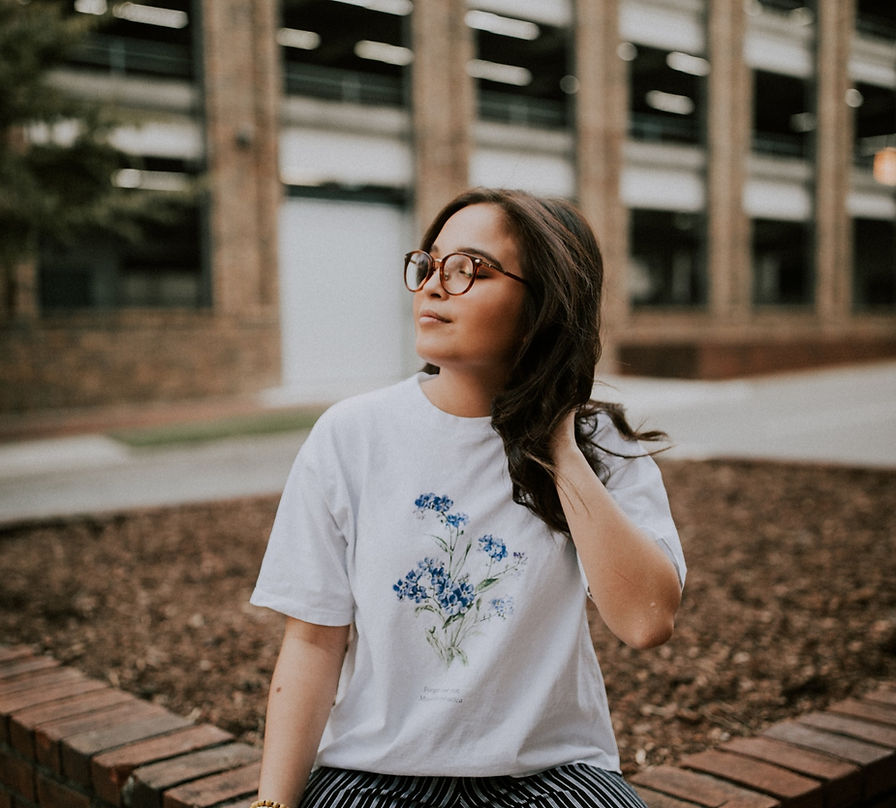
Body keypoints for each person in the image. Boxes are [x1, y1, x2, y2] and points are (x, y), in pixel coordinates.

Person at [248, 187, 686, 808]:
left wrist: (557, 440)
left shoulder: (599, 442)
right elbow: (313, 642)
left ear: (544, 304)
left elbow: (647, 622)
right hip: (374, 775)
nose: (431, 286)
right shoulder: (353, 434)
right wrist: (273, 803)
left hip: (551, 775)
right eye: (428, 264)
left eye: (467, 270)